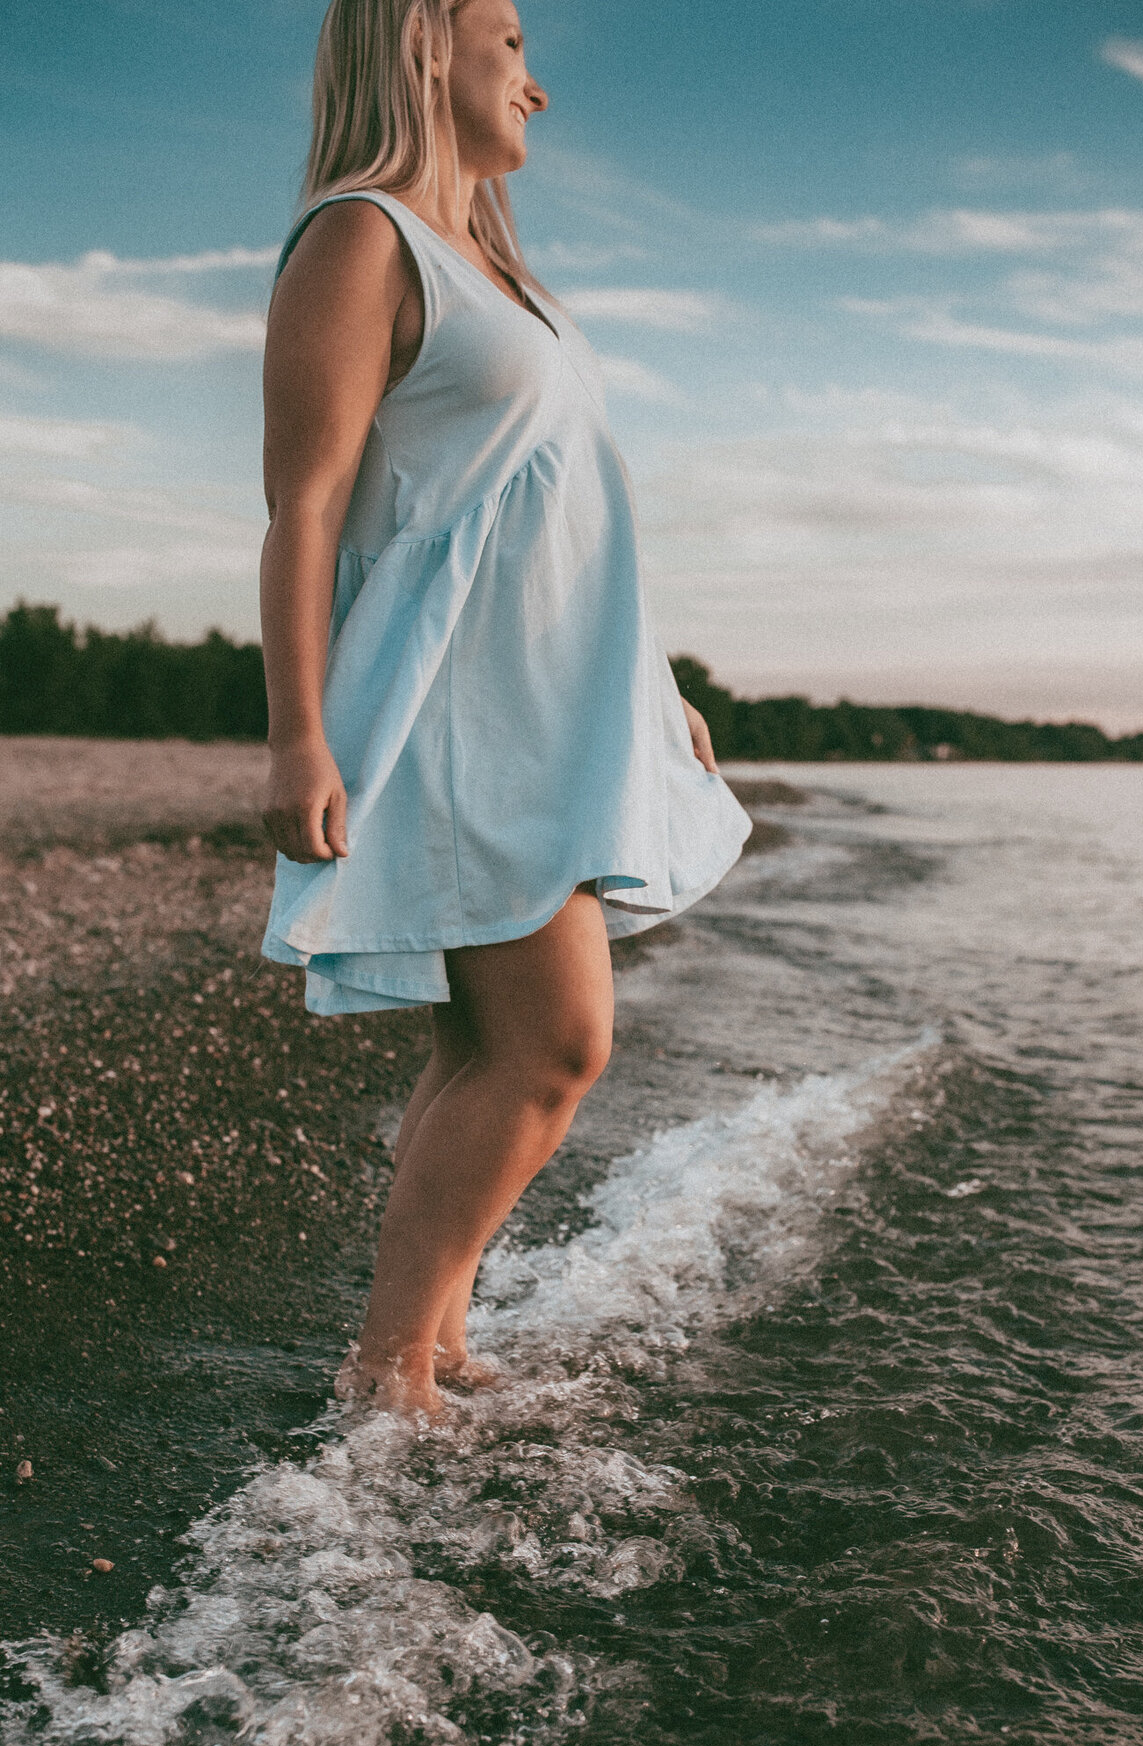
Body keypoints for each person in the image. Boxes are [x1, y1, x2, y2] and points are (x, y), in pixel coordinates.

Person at [258, 0, 751, 1416]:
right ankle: (388, 1367)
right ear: (423, 47)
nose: (536, 88)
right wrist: (297, 730)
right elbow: (305, 502)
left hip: (556, 703)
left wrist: (658, 691)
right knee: (557, 1042)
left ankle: (438, 1343)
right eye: (512, 44)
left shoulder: (498, 272)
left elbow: (572, 511)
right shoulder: (363, 235)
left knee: (485, 1042)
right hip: (460, 706)